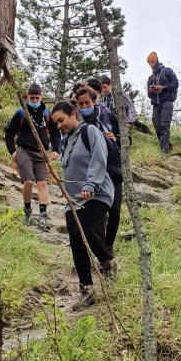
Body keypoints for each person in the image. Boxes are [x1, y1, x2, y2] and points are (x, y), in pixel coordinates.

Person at [51, 100, 116, 311]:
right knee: (75, 241)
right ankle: (87, 289)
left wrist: (91, 184)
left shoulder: (90, 131)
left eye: (61, 120)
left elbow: (99, 157)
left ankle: (108, 261)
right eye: (56, 123)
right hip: (74, 201)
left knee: (84, 230)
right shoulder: (66, 141)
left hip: (97, 193)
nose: (59, 125)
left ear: (73, 114)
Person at [4, 82, 61, 231]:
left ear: (41, 97)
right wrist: (13, 151)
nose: (35, 101)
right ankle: (27, 210)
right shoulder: (21, 113)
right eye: (32, 98)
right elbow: (9, 133)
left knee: (42, 183)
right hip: (24, 150)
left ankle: (42, 215)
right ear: (27, 97)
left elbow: (55, 133)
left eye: (37, 98)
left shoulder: (47, 113)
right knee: (28, 181)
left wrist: (56, 149)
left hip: (41, 152)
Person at [75, 84, 123, 251]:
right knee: (99, 212)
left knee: (115, 210)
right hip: (91, 173)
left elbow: (127, 139)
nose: (84, 107)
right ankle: (101, 250)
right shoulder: (77, 123)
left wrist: (115, 139)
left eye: (87, 103)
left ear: (94, 101)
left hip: (113, 170)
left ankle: (109, 245)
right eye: (81, 104)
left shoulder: (108, 116)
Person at [146, 52, 179, 153]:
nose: (151, 65)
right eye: (149, 63)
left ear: (157, 60)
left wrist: (163, 87)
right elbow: (149, 95)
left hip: (167, 101)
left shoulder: (167, 71)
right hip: (156, 104)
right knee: (157, 125)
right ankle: (167, 146)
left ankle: (164, 151)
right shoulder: (151, 78)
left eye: (152, 62)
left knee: (164, 124)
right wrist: (152, 90)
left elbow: (175, 84)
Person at [100, 75, 137, 140]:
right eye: (102, 88)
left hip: (122, 123)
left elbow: (131, 106)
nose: (104, 90)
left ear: (110, 85)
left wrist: (129, 121)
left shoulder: (120, 94)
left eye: (105, 87)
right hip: (111, 125)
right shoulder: (104, 98)